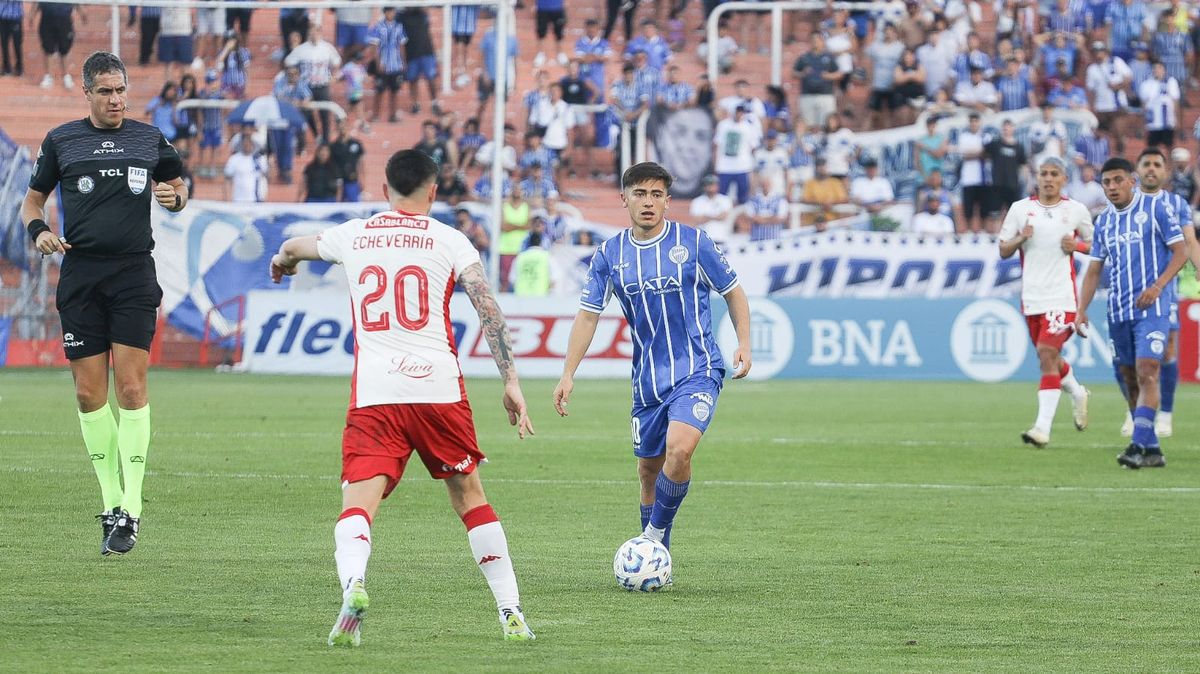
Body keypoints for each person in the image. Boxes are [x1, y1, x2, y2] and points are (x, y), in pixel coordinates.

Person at [268, 149, 537, 646]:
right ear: (433, 191)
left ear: (385, 186)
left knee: (358, 504)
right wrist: (511, 380)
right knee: (471, 498)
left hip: (376, 392)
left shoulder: (354, 233)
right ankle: (510, 612)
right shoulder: (451, 238)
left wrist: (282, 261)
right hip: (436, 387)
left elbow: (292, 245)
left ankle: (354, 586)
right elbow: (486, 306)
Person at [21, 51, 188, 556]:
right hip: (82, 275)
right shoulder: (61, 141)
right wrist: (40, 231)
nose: (116, 100)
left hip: (135, 272)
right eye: (106, 91)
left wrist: (175, 198)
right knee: (88, 395)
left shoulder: (149, 138)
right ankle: (111, 502)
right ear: (87, 92)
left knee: (132, 389)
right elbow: (33, 200)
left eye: (121, 91)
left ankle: (131, 510)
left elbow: (178, 185)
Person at [553, 161, 752, 560]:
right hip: (647, 380)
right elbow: (588, 315)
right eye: (640, 193)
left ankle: (652, 539)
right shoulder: (610, 254)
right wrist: (568, 373)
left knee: (680, 450)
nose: (648, 202)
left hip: (698, 368)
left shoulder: (694, 243)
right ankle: (657, 558)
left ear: (667, 201)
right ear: (624, 198)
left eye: (656, 194)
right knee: (648, 471)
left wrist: (744, 343)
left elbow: (733, 292)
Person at [1077, 157, 1186, 469]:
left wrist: (1158, 286)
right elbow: (1094, 270)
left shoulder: (1156, 209)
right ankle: (1152, 449)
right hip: (1118, 310)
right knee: (1128, 376)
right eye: (1106, 182)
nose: (1112, 187)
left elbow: (1180, 252)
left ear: (1132, 181)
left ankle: (1137, 445)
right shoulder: (1104, 223)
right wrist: (1081, 310)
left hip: (1153, 307)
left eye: (1117, 180)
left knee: (1148, 368)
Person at [996, 157, 1094, 448]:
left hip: (1062, 297)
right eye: (1044, 173)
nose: (1048, 178)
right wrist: (1020, 239)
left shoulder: (1075, 210)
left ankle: (1042, 429)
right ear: (1036, 177)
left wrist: (1076, 246)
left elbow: (1098, 246)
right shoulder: (1020, 209)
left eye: (1055, 174)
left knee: (1046, 352)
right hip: (1031, 298)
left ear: (1064, 179)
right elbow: (1003, 249)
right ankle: (1076, 391)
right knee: (1047, 357)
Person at [1117, 148, 1200, 439]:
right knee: (1127, 360)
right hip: (1127, 292)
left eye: (1157, 164)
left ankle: (1165, 415)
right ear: (1137, 170)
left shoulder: (1176, 204)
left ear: (1165, 172)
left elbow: (1189, 240)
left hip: (1164, 290)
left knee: (1166, 351)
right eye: (1146, 164)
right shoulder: (1125, 203)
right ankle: (1133, 411)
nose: (1152, 169)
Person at [33, 1, 83, 89]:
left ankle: (66, 76)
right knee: (48, 48)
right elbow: (37, 2)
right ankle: (49, 76)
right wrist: (32, 14)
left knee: (65, 49)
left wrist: (82, 13)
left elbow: (77, 2)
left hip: (64, 18)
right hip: (47, 17)